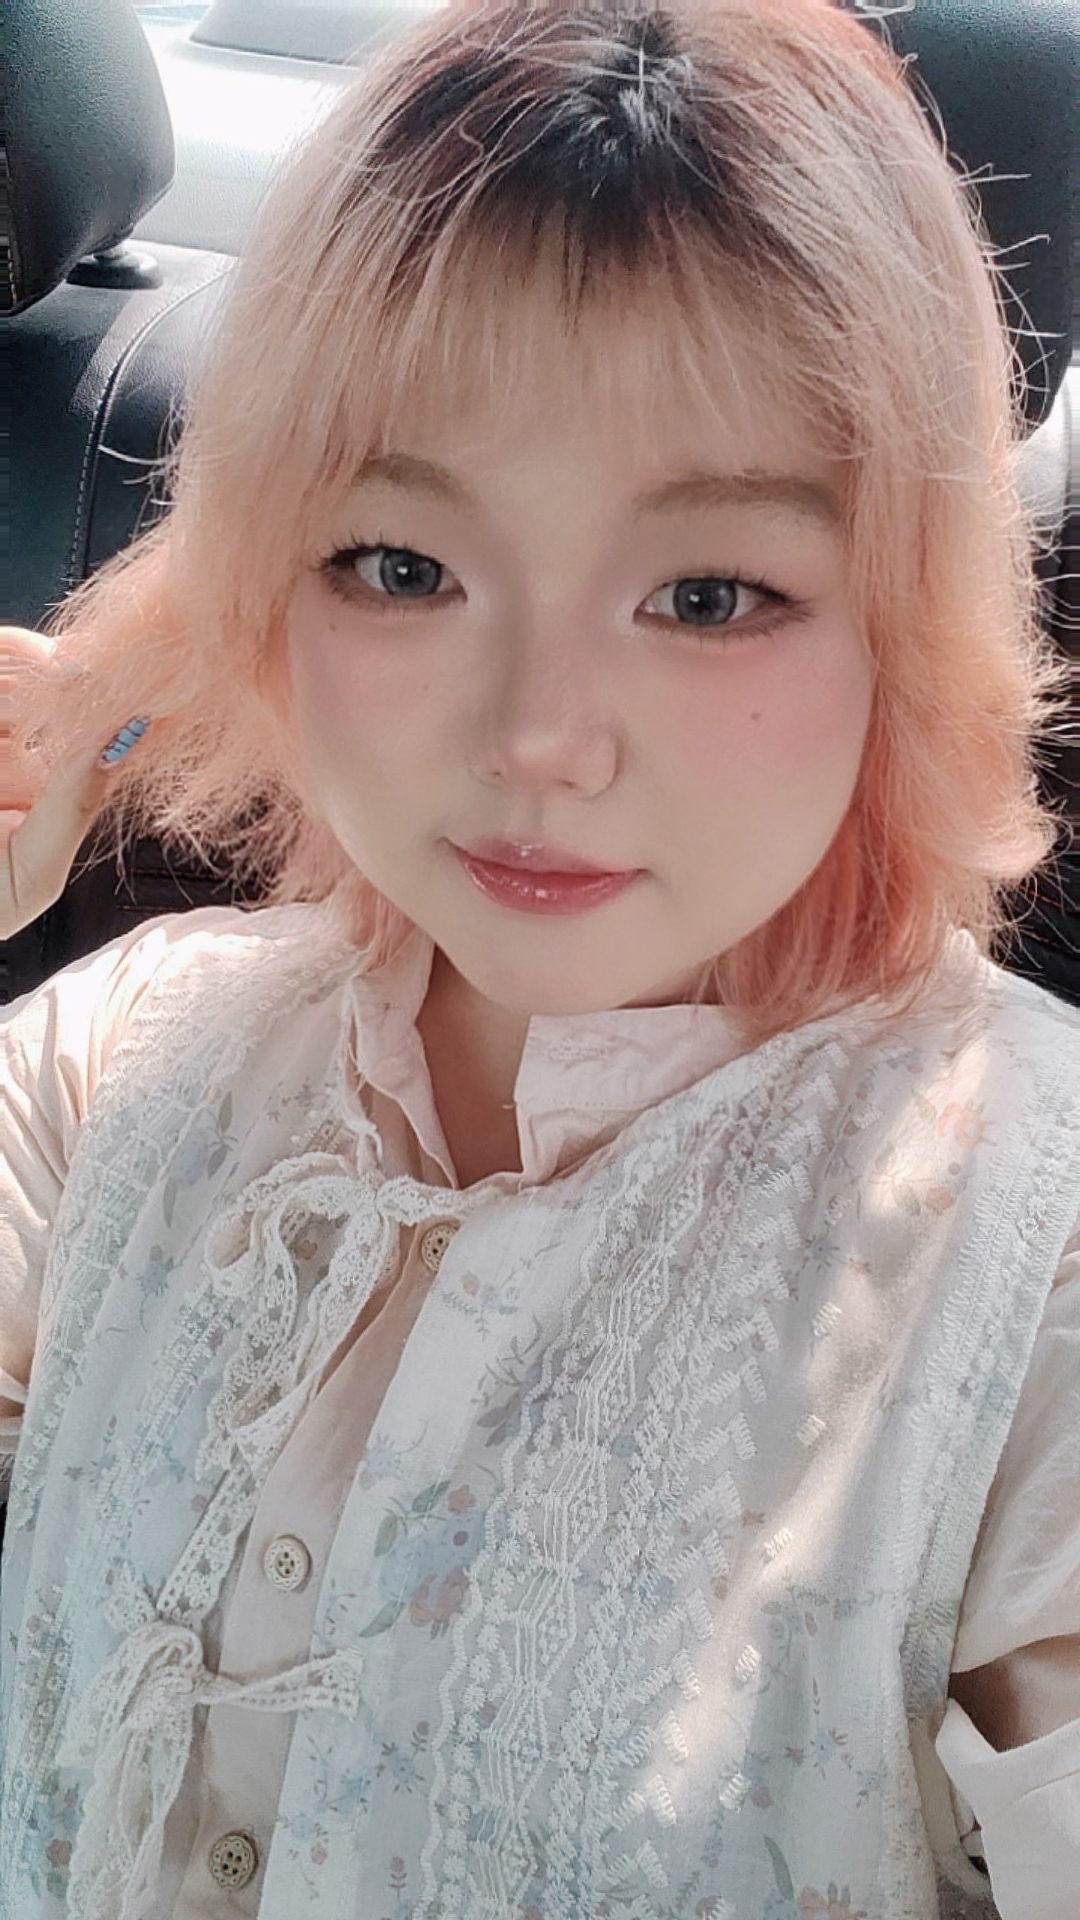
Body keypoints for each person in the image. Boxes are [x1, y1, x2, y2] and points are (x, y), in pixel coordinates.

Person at [2, 2, 1078, 1914]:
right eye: (401, 567)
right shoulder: (118, 1060)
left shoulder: (1034, 1252)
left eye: (710, 594)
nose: (540, 739)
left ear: (898, 616)